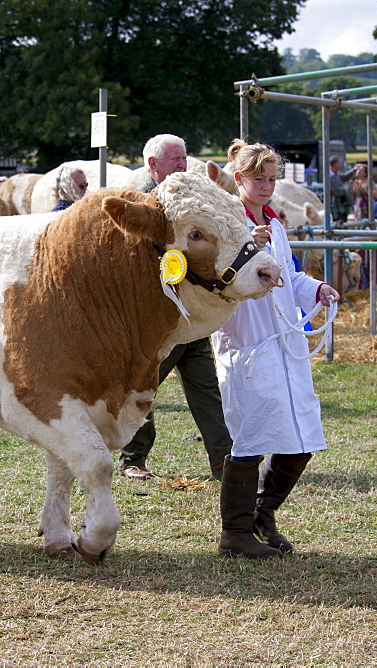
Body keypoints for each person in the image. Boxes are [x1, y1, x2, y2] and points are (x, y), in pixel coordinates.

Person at [212, 138, 340, 559]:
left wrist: (316, 288)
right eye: (258, 178)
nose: (267, 186)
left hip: (285, 344)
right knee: (249, 437)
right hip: (247, 341)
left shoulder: (277, 223)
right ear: (239, 178)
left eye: (272, 178)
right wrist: (248, 242)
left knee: (301, 436)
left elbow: (290, 278)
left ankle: (262, 516)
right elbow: (218, 279)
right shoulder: (226, 223)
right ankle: (235, 532)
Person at [118, 133, 233, 481]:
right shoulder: (139, 202)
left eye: (185, 157)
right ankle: (133, 460)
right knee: (145, 385)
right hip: (157, 317)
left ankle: (223, 462)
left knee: (206, 389)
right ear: (153, 164)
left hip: (192, 313)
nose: (183, 164)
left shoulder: (193, 197)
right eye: (175, 159)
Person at [327, 155, 354, 224]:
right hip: (335, 207)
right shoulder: (329, 177)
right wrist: (346, 189)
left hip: (341, 206)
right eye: (340, 163)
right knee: (337, 224)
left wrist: (353, 171)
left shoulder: (336, 175)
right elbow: (337, 191)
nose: (341, 165)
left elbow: (344, 177)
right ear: (335, 164)